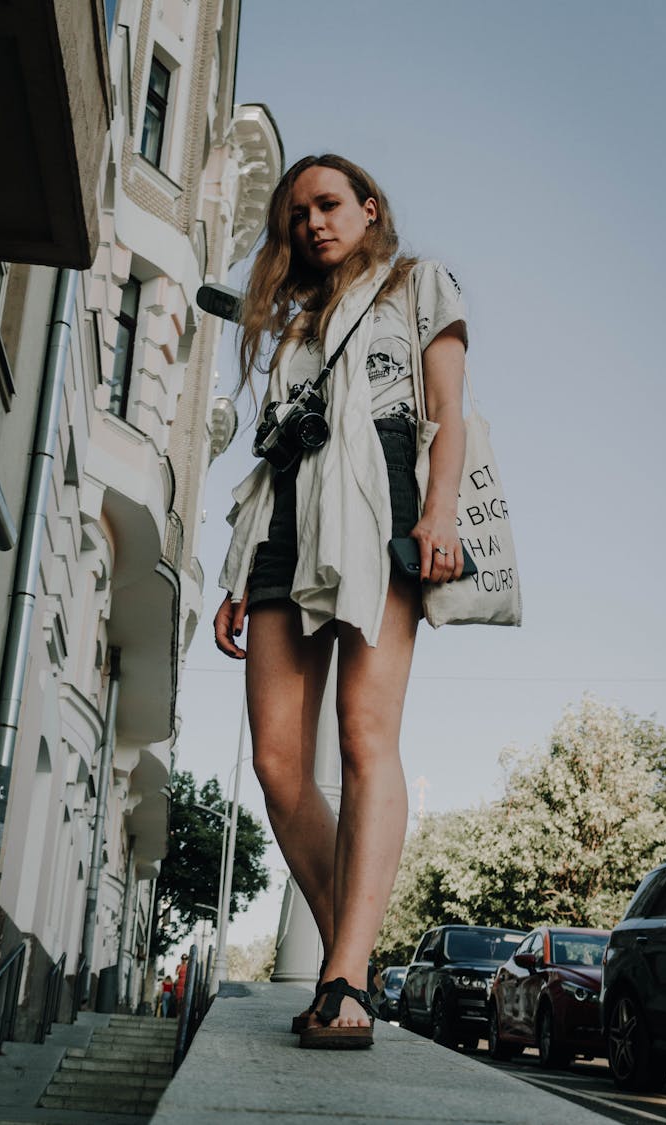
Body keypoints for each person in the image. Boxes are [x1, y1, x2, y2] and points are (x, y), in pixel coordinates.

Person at [214, 154, 466, 1049]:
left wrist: (437, 510)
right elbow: (273, 452)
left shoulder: (417, 282)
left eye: (328, 204)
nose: (312, 223)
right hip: (288, 514)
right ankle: (346, 958)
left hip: (380, 495)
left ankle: (345, 975)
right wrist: (241, 570)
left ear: (369, 206)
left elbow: (447, 411)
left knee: (366, 735)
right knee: (279, 765)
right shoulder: (293, 327)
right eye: (296, 216)